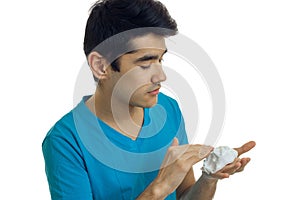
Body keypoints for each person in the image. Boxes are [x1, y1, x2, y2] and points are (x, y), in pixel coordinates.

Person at [42, 0, 256, 199]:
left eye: (161, 59)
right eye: (145, 63)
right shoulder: (65, 141)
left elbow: (184, 195)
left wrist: (209, 178)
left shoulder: (168, 108)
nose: (161, 76)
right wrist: (159, 188)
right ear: (101, 66)